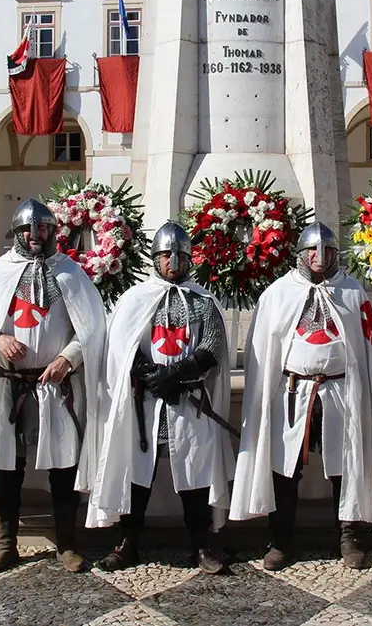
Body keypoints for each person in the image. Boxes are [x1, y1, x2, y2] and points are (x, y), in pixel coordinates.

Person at [0, 198, 107, 574]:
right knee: (6, 466)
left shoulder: (70, 273)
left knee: (63, 466)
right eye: (28, 229)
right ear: (17, 232)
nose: (35, 235)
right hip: (7, 387)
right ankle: (6, 543)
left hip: (53, 386)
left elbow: (91, 329)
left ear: (53, 232)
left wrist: (67, 359)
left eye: (41, 228)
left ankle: (67, 544)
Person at [230, 222, 372, 571]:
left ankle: (350, 537)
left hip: (341, 391)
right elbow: (264, 349)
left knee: (344, 464)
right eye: (313, 251)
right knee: (286, 468)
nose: (320, 257)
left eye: (328, 251)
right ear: (300, 254)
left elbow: (367, 346)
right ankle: (282, 541)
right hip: (293, 391)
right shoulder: (278, 293)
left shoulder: (351, 291)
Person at [87, 222, 234, 575]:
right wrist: (152, 376)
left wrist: (178, 374)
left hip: (189, 401)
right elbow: (120, 347)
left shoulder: (203, 301)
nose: (174, 261)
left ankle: (200, 545)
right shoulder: (136, 299)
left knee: (196, 473)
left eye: (180, 255)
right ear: (155, 258)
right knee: (137, 473)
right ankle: (128, 543)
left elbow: (214, 349)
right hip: (146, 403)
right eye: (166, 255)